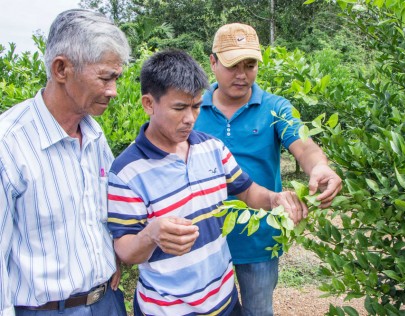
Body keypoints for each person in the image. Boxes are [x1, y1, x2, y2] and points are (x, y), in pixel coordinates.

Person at [106, 50, 307, 316]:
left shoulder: (211, 147)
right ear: (148, 103)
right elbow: (125, 250)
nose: (190, 117)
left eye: (196, 106)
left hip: (224, 301)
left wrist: (273, 199)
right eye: (179, 108)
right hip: (166, 309)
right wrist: (151, 234)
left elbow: (246, 190)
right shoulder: (127, 172)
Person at [194, 23, 343, 316]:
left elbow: (305, 147)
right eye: (232, 65)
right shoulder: (193, 108)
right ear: (212, 62)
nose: (242, 74)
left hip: (259, 237)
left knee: (258, 311)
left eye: (250, 65)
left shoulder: (275, 108)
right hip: (204, 238)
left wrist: (321, 167)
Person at [0, 9, 130, 316]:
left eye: (116, 78)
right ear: (61, 69)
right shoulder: (10, 144)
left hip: (106, 300)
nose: (113, 91)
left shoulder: (94, 134)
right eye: (105, 77)